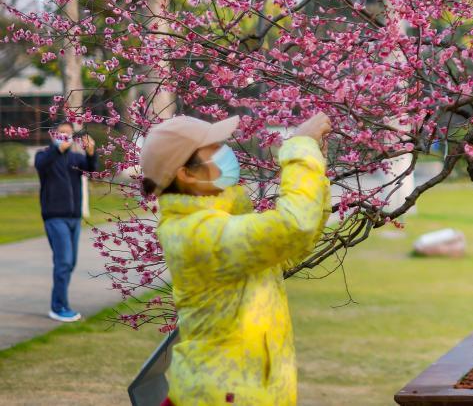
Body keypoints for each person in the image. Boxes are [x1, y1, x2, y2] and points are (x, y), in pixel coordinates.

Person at [140, 113, 332, 406]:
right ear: (186, 174)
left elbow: (289, 248)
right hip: (224, 396)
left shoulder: (222, 220)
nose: (226, 154)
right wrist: (300, 149)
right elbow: (294, 227)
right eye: (215, 149)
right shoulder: (196, 233)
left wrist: (315, 174)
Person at [34, 120, 97, 322]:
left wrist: (90, 152)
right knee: (64, 262)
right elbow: (41, 166)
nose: (66, 137)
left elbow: (92, 171)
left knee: (70, 263)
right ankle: (59, 307)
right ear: (53, 135)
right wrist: (57, 150)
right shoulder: (44, 155)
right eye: (62, 133)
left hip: (73, 218)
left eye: (69, 134)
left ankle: (58, 303)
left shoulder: (76, 158)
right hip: (55, 217)